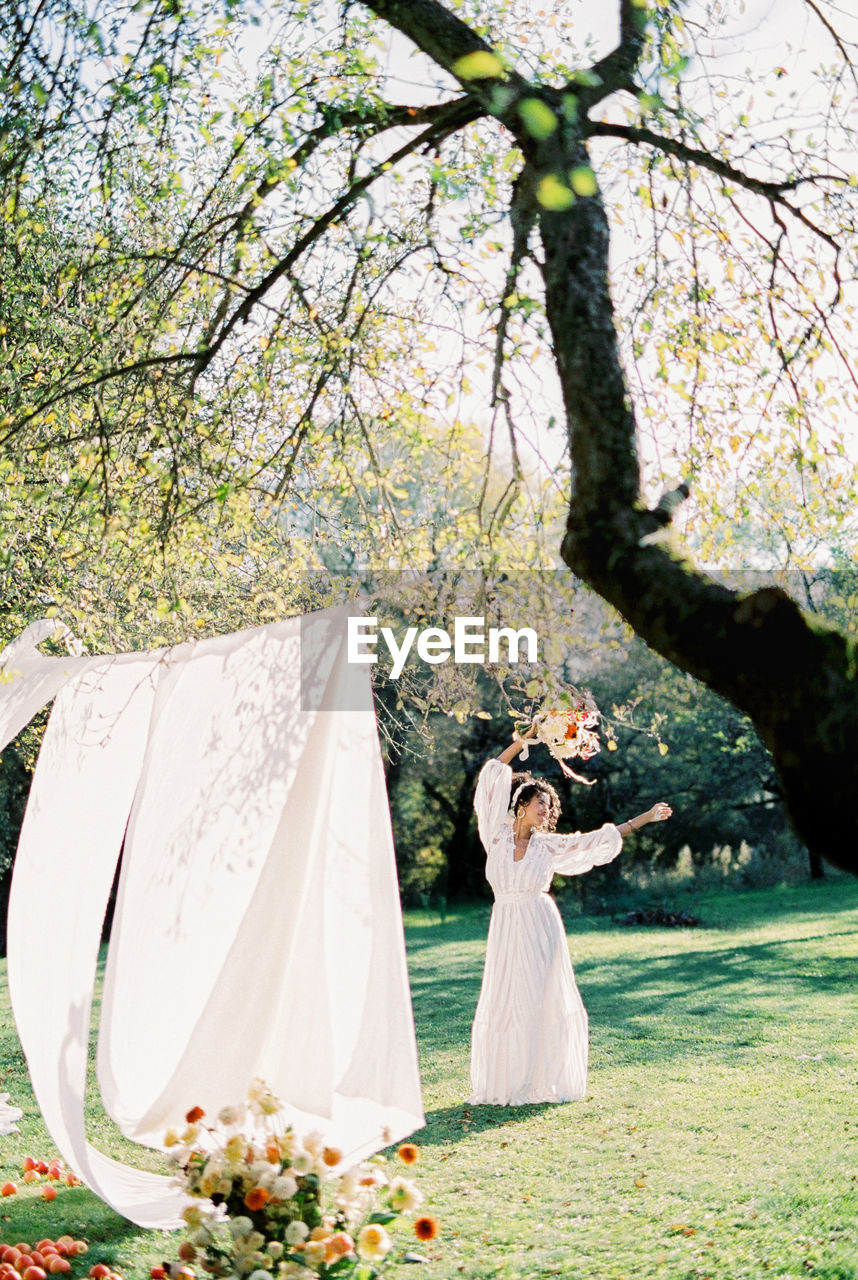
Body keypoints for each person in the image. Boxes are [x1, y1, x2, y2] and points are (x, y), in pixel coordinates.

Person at [469, 726, 672, 1106]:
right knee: (506, 998)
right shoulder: (494, 836)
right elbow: (495, 771)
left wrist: (644, 818)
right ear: (521, 805)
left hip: (539, 924)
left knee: (538, 997)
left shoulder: (548, 845)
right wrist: (525, 739)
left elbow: (595, 839)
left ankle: (540, 1080)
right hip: (505, 926)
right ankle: (508, 1079)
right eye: (540, 805)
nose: (546, 812)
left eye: (549, 807)